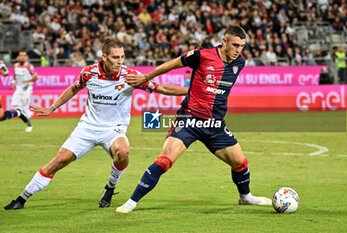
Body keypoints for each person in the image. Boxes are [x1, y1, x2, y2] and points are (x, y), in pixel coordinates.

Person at [3, 39, 187, 210]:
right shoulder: (89, 72)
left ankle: (110, 187)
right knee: (58, 162)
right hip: (87, 127)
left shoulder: (130, 76)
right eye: (116, 57)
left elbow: (161, 88)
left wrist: (190, 91)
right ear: (104, 57)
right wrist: (52, 108)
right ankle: (22, 198)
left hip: (113, 129)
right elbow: (74, 88)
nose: (120, 61)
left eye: (122, 57)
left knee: (123, 151)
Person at [117, 26, 272, 214]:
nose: (238, 50)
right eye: (235, 45)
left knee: (241, 163)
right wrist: (146, 77)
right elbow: (172, 64)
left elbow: (213, 89)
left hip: (215, 125)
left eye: (242, 46)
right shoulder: (201, 55)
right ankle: (132, 202)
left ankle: (245, 197)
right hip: (188, 120)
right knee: (165, 160)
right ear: (224, 41)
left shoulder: (240, 62)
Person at [11, 49, 39, 132]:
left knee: (24, 108)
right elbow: (15, 75)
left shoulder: (29, 66)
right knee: (13, 107)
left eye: (24, 56)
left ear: (26, 57)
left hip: (27, 89)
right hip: (18, 88)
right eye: (21, 55)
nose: (22, 57)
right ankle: (28, 115)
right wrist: (13, 82)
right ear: (18, 57)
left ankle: (29, 125)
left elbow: (36, 77)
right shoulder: (15, 65)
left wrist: (28, 81)